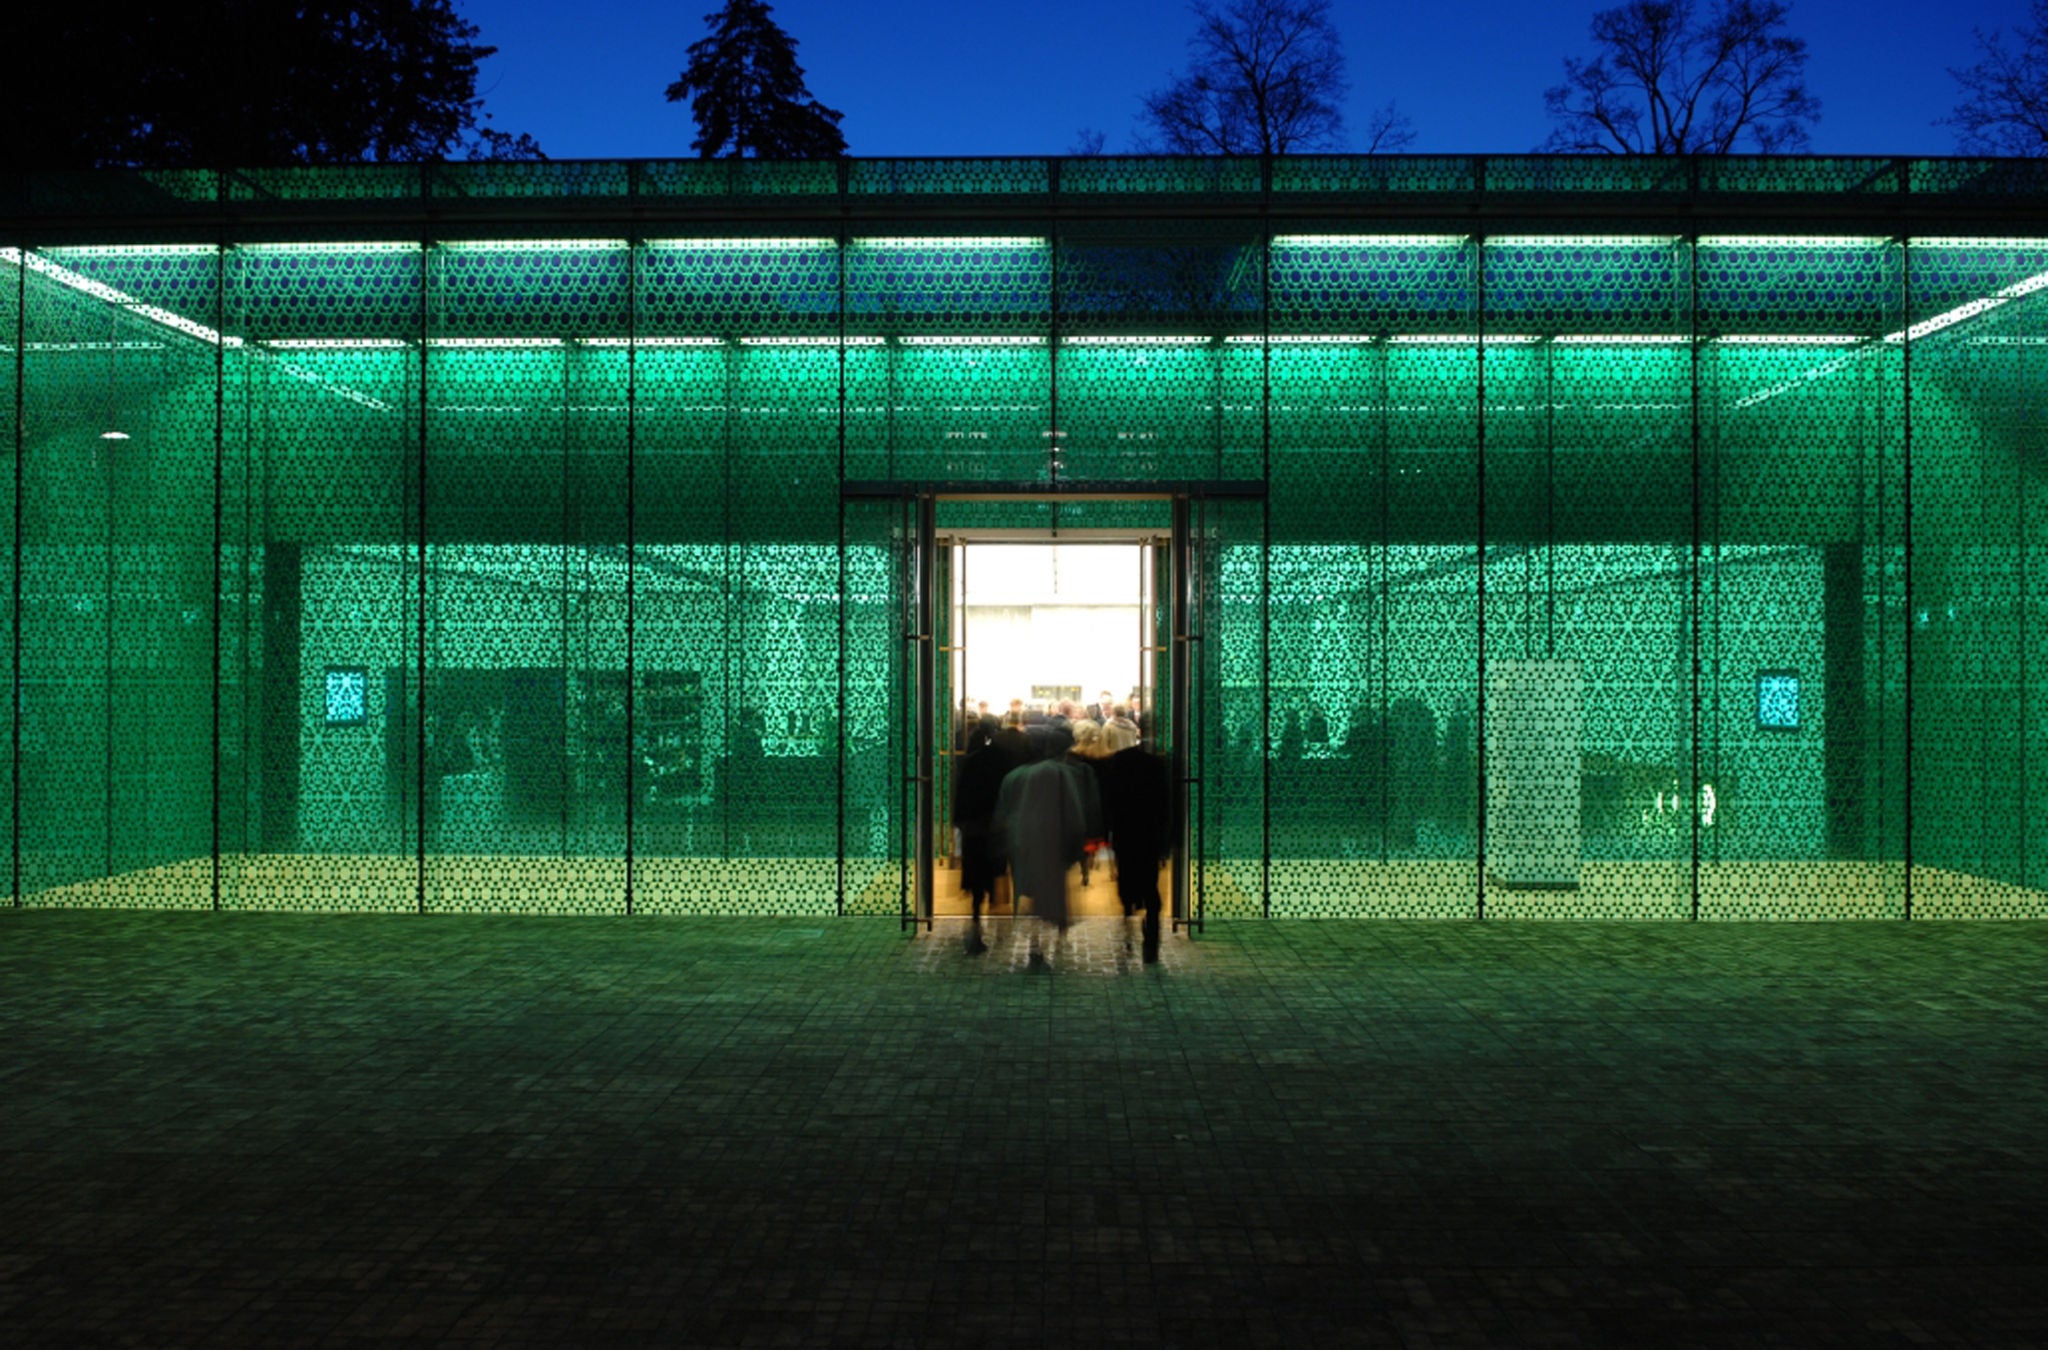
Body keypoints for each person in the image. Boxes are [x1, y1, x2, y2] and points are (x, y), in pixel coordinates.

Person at [992, 729, 1085, 970]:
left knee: (1027, 893)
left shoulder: (1013, 776)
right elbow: (1073, 814)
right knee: (1050, 897)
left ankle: (1035, 947)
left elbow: (1001, 815)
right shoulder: (1059, 774)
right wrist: (1076, 847)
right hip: (1051, 842)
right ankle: (1047, 945)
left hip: (1019, 844)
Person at [1100, 719, 1172, 964]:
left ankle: (1128, 910)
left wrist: (1106, 828)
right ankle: (1151, 935)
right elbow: (1165, 803)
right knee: (1150, 882)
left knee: (1128, 872)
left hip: (1125, 830)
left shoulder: (1120, 761)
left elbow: (1109, 799)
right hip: (1149, 832)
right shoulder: (1160, 764)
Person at [951, 715, 1015, 955]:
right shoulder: (1003, 760)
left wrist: (960, 822)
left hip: (974, 828)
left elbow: (962, 796)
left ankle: (977, 919)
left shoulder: (970, 762)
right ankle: (995, 919)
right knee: (996, 871)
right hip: (995, 826)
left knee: (976, 877)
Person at [1064, 720, 1109, 888]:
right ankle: (1091, 859)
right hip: (1101, 805)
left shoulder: (1072, 757)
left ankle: (1084, 869)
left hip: (1079, 802)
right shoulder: (1107, 756)